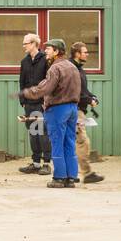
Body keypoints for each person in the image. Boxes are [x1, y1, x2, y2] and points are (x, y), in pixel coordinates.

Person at [20, 39, 81, 188]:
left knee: (57, 143)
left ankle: (59, 177)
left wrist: (26, 92)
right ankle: (71, 177)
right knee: (69, 142)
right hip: (73, 108)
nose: (45, 51)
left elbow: (45, 88)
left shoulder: (55, 68)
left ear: (56, 51)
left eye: (49, 49)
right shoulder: (73, 67)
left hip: (58, 109)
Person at [17, 34, 51, 175]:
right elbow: (22, 82)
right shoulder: (24, 62)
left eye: (25, 43)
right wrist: (23, 101)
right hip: (29, 104)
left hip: (41, 104)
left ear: (33, 44)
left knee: (43, 133)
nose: (24, 46)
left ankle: (47, 164)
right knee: (33, 133)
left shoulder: (44, 60)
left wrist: (46, 101)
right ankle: (36, 163)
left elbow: (49, 81)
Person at [70, 42, 103, 184]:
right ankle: (86, 172)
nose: (87, 54)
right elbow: (74, 92)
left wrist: (92, 97)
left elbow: (83, 90)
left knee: (75, 142)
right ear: (77, 53)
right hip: (75, 111)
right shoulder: (72, 69)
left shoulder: (80, 69)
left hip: (80, 109)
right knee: (82, 141)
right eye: (85, 52)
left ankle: (71, 173)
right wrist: (89, 100)